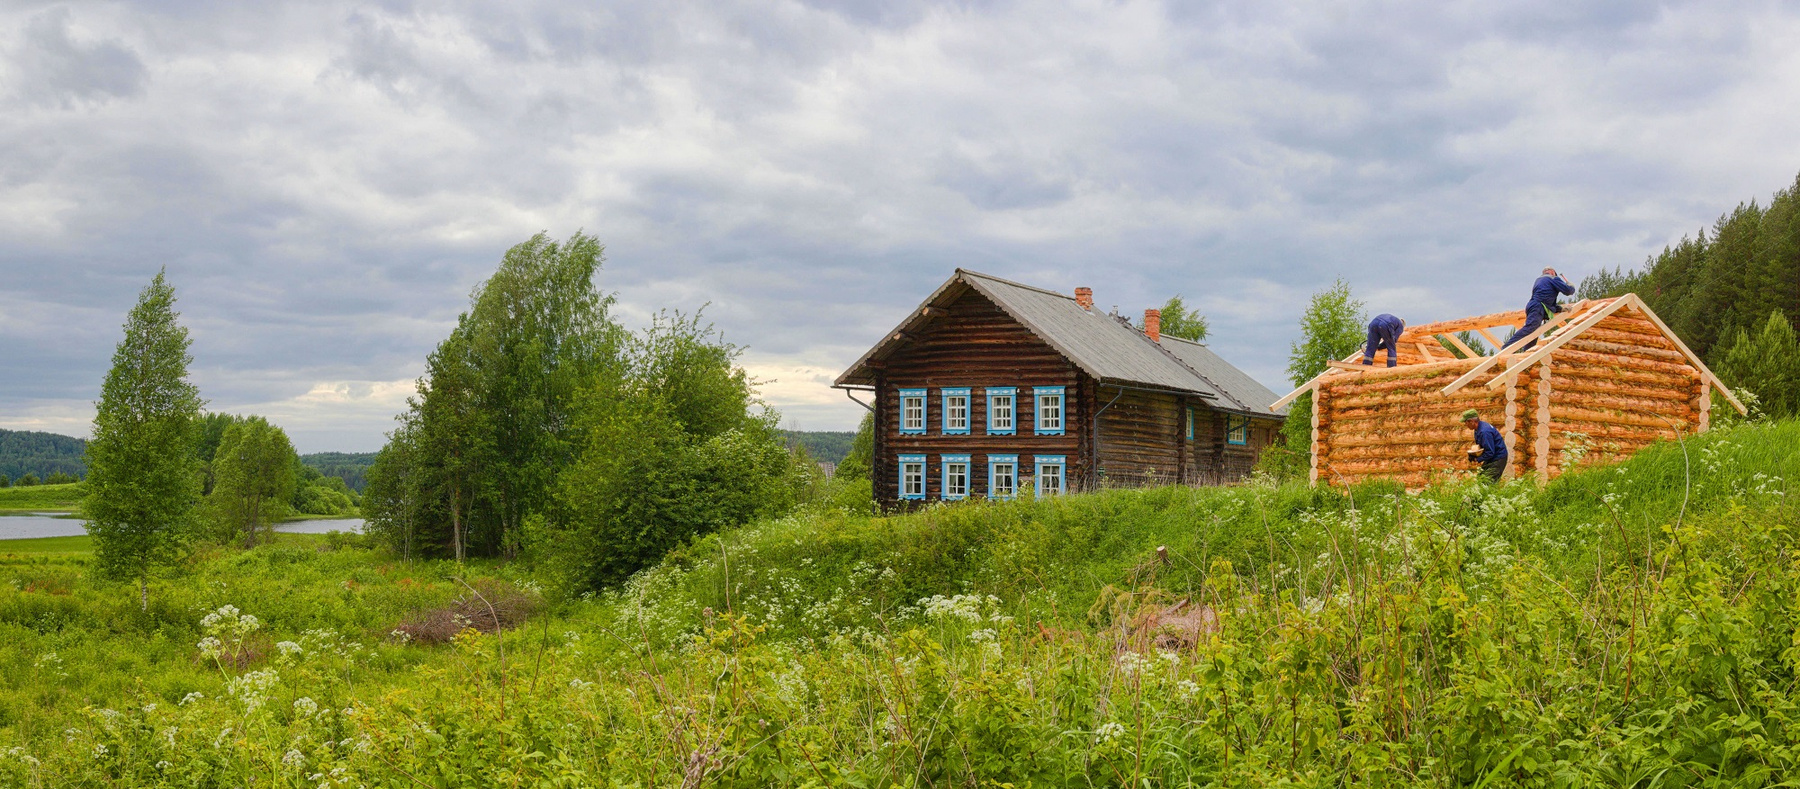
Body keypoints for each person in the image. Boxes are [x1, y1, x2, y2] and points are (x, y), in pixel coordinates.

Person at [1501, 267, 1575, 351]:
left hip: (1534, 305)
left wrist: (1560, 308)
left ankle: (1528, 353)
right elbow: (1568, 291)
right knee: (1530, 328)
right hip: (1538, 306)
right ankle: (1507, 348)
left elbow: (1546, 300)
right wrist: (1571, 286)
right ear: (1552, 272)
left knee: (1534, 332)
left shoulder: (1539, 280)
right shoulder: (1553, 278)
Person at [1462, 408, 1506, 483]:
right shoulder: (1478, 429)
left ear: (1472, 421)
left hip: (1498, 458)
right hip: (1492, 457)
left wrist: (1478, 459)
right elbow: (1482, 447)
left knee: (1488, 482)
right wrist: (1474, 454)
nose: (1465, 424)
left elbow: (1490, 452)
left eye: (1466, 422)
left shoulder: (1484, 432)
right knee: (1481, 478)